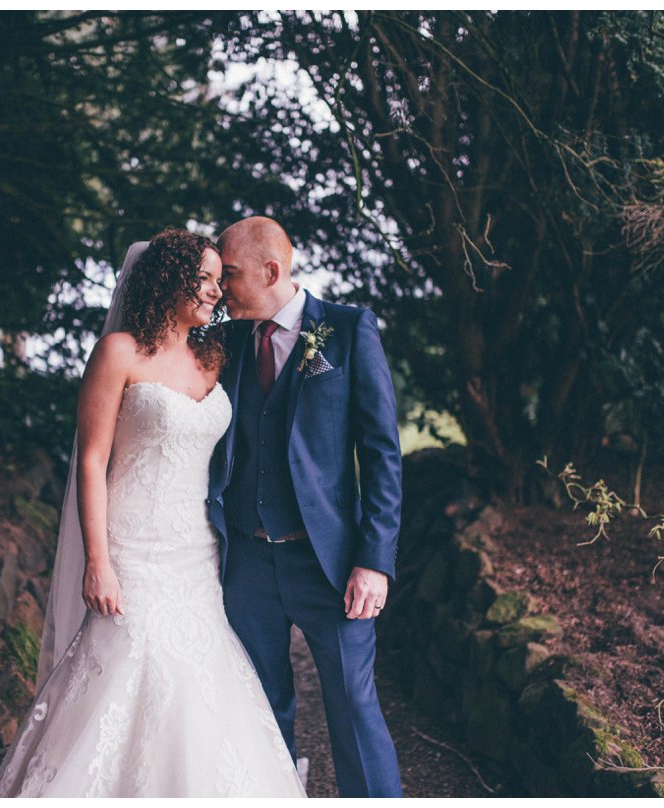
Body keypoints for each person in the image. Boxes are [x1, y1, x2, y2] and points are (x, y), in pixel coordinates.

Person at [0, 228, 306, 798]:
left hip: (196, 550)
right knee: (126, 670)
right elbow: (91, 461)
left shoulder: (214, 356)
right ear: (167, 279)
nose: (215, 291)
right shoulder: (118, 353)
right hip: (130, 544)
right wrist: (98, 561)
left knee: (197, 680)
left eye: (218, 279)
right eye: (204, 278)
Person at [207, 216, 404, 797]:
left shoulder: (347, 330)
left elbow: (382, 453)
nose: (221, 290)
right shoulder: (230, 340)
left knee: (351, 706)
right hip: (246, 564)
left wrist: (375, 560)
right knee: (260, 709)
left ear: (272, 271)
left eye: (232, 275)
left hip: (330, 563)